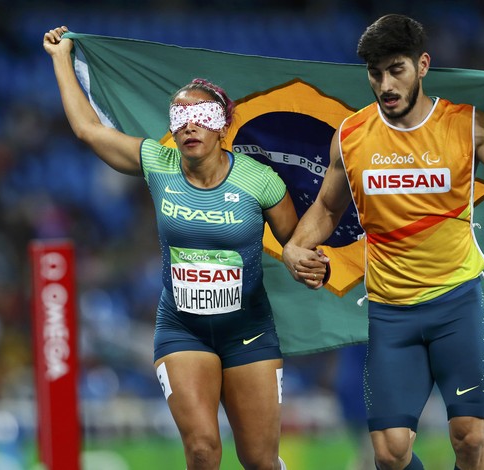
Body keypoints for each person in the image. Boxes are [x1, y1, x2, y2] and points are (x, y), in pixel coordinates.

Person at [282, 14, 484, 470]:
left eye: (397, 69)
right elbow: (328, 210)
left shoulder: (465, 125)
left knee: (469, 439)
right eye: (376, 73)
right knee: (390, 454)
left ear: (422, 65)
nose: (386, 84)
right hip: (391, 313)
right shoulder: (351, 136)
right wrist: (295, 245)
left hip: (457, 306)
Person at [44, 25, 309, 470]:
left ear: (223, 127)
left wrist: (304, 258)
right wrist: (60, 58)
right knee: (203, 451)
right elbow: (88, 130)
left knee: (261, 461)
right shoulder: (157, 163)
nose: (189, 127)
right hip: (182, 330)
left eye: (202, 118)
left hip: (249, 332)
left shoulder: (260, 180)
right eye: (179, 118)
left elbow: (295, 243)